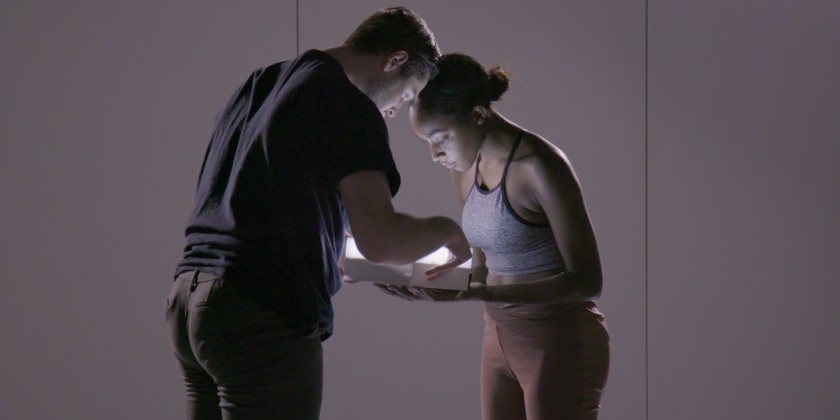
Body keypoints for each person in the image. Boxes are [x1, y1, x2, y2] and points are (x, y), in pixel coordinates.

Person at [164, 8, 471, 420]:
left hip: (189, 304)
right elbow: (381, 239)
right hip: (259, 316)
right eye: (408, 93)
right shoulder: (348, 103)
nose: (397, 110)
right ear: (395, 60)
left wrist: (328, 247)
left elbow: (255, 198)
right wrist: (448, 231)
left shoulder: (262, 82)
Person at [380, 53, 610, 420]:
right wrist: (410, 276)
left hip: (558, 338)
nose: (434, 154)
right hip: (498, 336)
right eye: (425, 141)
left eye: (439, 138)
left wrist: (487, 293)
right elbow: (481, 268)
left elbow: (587, 281)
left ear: (477, 116)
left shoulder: (541, 166)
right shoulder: (464, 169)